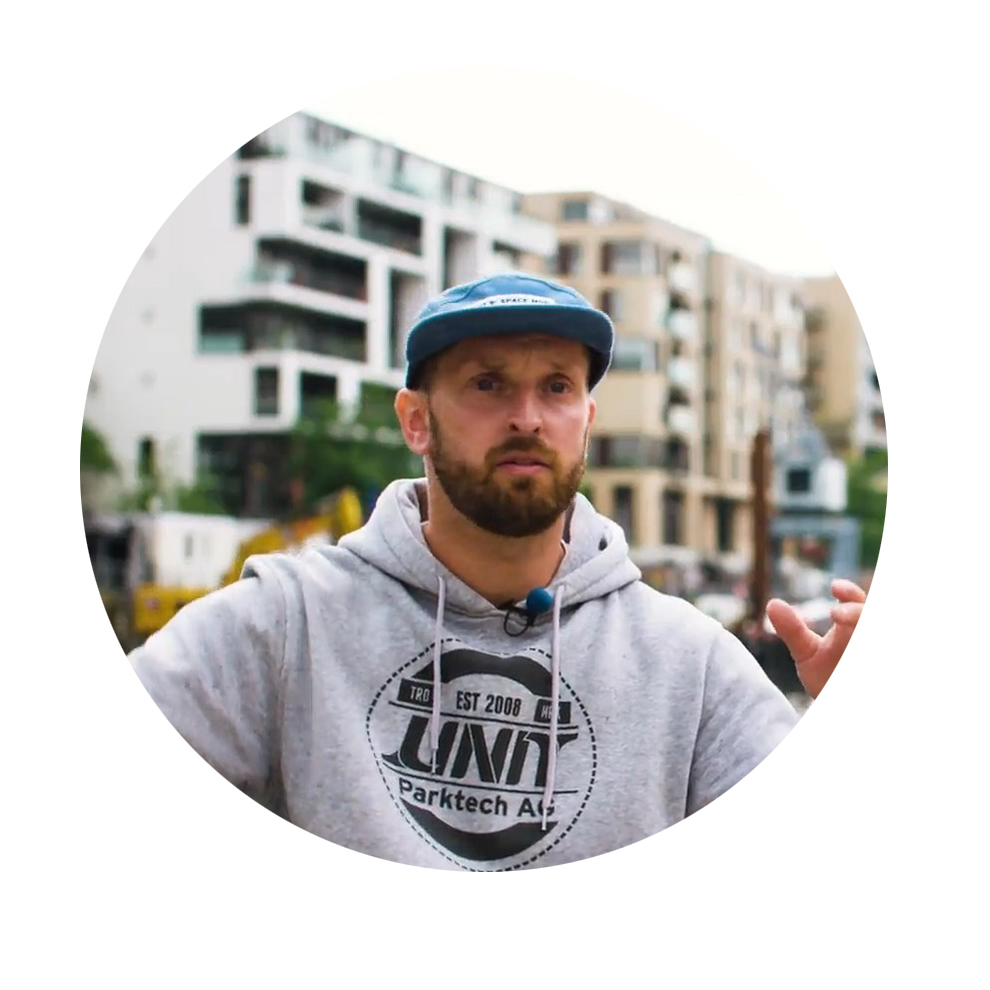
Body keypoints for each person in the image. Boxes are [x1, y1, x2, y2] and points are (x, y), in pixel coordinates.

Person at [129, 272, 866, 871]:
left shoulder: (692, 664)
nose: (527, 416)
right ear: (415, 420)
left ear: (588, 419)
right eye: (487, 384)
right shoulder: (287, 623)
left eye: (556, 387)